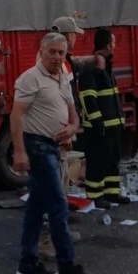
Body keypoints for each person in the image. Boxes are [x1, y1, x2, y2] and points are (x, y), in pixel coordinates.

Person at [12, 32, 85, 274]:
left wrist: (71, 130)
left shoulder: (62, 77)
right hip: (38, 147)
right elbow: (16, 115)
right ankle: (67, 265)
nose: (56, 57)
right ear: (41, 51)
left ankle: (28, 263)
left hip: (56, 148)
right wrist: (19, 152)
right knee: (58, 206)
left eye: (61, 52)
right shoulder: (30, 79)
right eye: (52, 52)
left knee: (35, 208)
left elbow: (73, 115)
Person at [37, 17, 84, 260]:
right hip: (54, 136)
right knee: (52, 191)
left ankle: (59, 234)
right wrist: (64, 131)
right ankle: (46, 242)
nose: (75, 39)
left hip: (61, 134)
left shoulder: (62, 63)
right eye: (74, 34)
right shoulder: (53, 67)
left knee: (61, 186)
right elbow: (54, 104)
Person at [78, 28, 131, 209]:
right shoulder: (91, 68)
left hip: (112, 126)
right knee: (97, 162)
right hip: (99, 128)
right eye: (114, 42)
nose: (115, 45)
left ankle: (112, 193)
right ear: (108, 45)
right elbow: (88, 98)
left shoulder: (106, 66)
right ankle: (95, 196)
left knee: (112, 161)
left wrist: (120, 121)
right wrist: (97, 123)